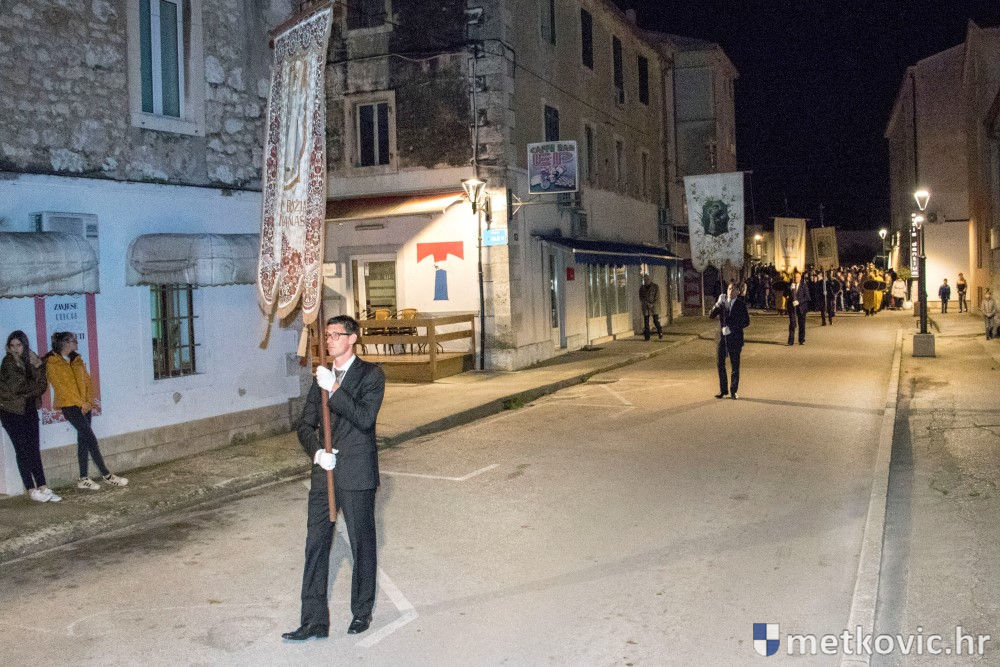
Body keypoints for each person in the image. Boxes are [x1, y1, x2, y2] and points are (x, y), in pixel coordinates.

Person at [284, 315, 386, 641]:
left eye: (336, 335)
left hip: (357, 472)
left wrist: (335, 390)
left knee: (361, 543)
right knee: (315, 545)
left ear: (352, 338)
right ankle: (313, 620)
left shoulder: (371, 375)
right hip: (324, 472)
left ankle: (361, 611)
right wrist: (317, 452)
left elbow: (364, 418)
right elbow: (305, 425)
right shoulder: (322, 378)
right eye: (327, 335)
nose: (329, 341)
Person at [46, 331, 128, 490]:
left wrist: (89, 402)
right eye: (73, 340)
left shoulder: (77, 360)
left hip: (85, 405)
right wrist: (80, 403)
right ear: (65, 343)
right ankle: (106, 475)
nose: (76, 342)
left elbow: (87, 381)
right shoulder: (52, 362)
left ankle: (83, 478)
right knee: (91, 439)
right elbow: (62, 388)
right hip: (70, 406)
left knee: (83, 440)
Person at [0, 331, 60, 503]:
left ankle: (43, 486)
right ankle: (31, 490)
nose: (15, 349)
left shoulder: (31, 361)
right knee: (22, 450)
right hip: (11, 412)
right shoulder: (8, 362)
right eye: (12, 345)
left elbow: (42, 386)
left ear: (24, 345)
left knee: (34, 449)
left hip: (28, 409)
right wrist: (34, 386)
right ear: (8, 347)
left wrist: (39, 367)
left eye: (19, 345)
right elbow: (18, 387)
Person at [709, 281, 750, 399]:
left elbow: (746, 322)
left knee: (735, 366)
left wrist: (731, 328)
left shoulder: (741, 304)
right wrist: (717, 304)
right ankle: (723, 390)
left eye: (733, 289)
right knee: (720, 364)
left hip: (735, 338)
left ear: (738, 292)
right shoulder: (722, 303)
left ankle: (733, 391)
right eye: (729, 289)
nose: (730, 291)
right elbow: (711, 315)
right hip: (722, 338)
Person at [786, 270, 810, 345]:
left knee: (801, 324)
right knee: (792, 323)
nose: (795, 279)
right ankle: (790, 341)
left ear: (800, 278)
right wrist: (789, 290)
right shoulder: (790, 285)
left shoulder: (804, 286)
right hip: (792, 307)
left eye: (797, 277)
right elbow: (785, 294)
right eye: (794, 277)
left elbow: (807, 297)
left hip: (801, 307)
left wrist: (799, 301)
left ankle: (801, 340)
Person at [638, 274, 662, 341]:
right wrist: (646, 303)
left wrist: (652, 304)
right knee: (646, 322)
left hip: (654, 306)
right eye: (645, 279)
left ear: (650, 280)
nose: (646, 281)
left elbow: (657, 297)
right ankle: (647, 337)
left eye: (647, 279)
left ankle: (660, 330)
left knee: (655, 320)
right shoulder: (642, 288)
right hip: (646, 306)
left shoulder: (655, 286)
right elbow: (641, 297)